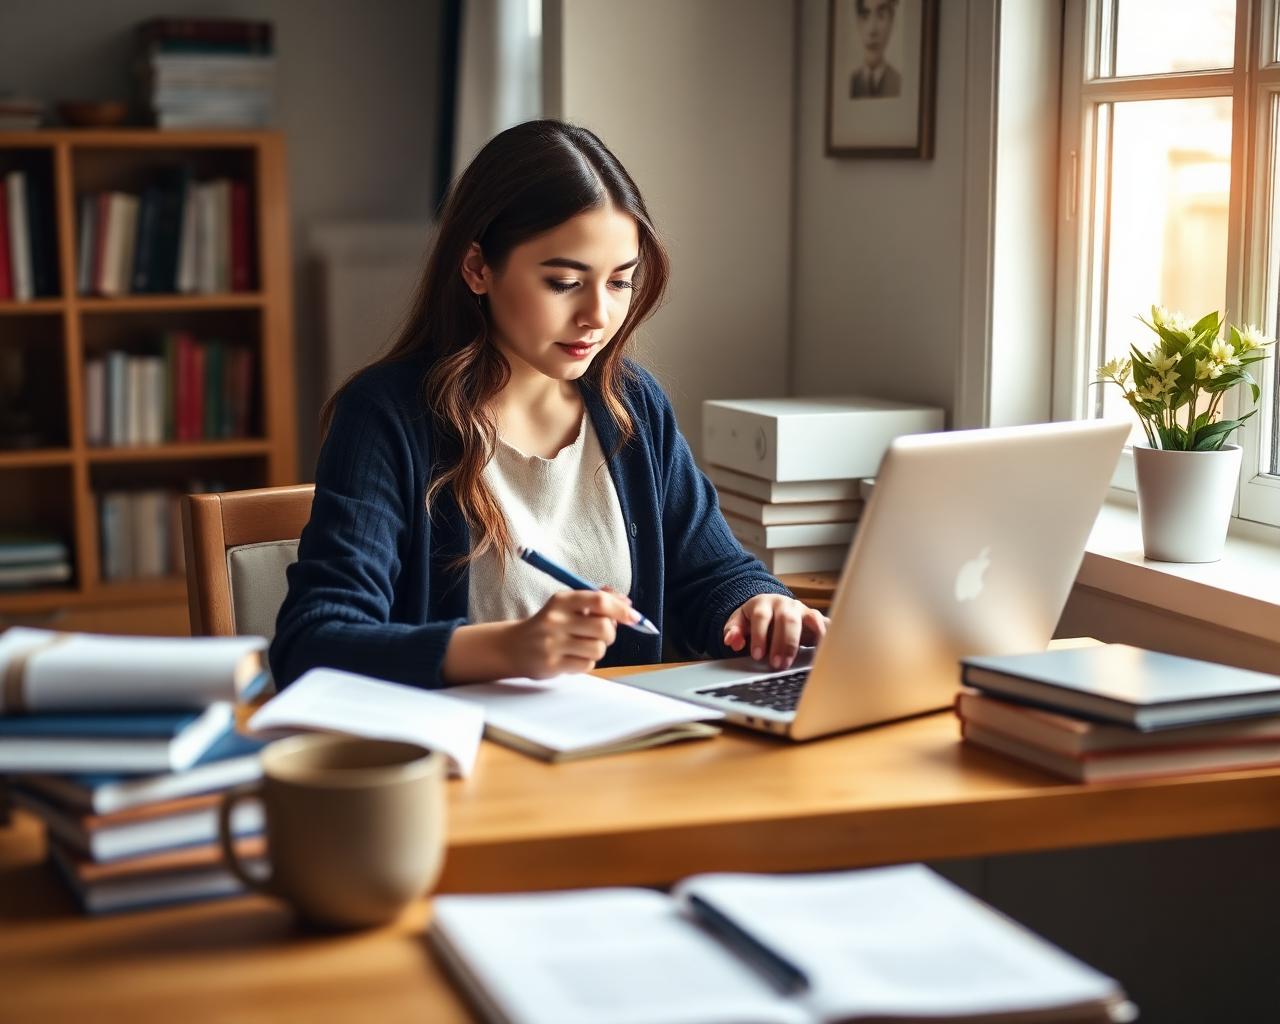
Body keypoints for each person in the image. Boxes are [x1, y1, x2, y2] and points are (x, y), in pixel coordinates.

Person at [269, 120, 828, 691]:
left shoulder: (632, 405)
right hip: (469, 743)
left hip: (625, 738)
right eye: (564, 282)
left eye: (620, 282)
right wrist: (510, 647)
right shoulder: (387, 416)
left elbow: (712, 572)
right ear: (477, 268)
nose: (597, 316)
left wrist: (758, 605)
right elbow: (312, 643)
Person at [850, 0, 902, 99]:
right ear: (857, 22)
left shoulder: (899, 82)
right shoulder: (849, 83)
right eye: (865, 16)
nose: (872, 30)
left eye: (881, 16)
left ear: (892, 22)